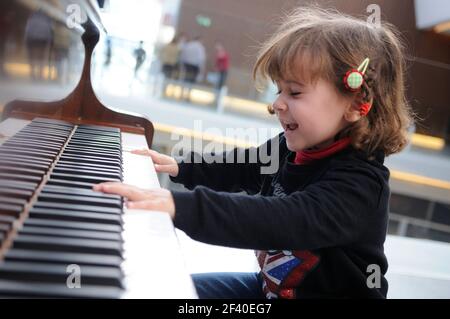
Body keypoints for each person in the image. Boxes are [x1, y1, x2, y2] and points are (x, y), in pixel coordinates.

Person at [94, 7, 413, 299]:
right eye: (279, 89)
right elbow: (244, 166)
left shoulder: (360, 186)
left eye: (295, 92)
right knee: (169, 292)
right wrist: (182, 167)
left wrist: (179, 207)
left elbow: (278, 219)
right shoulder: (292, 148)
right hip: (268, 290)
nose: (277, 104)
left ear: (358, 105)